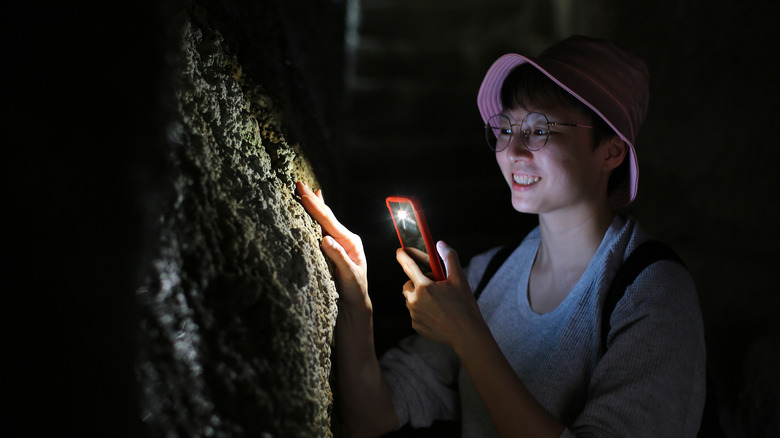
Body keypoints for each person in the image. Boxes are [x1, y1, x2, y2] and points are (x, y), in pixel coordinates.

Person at [296, 35, 706, 437]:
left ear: (611, 151)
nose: (512, 150)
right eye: (505, 127)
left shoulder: (652, 291)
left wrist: (468, 336)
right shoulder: (486, 276)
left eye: (540, 129)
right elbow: (373, 416)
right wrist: (356, 302)